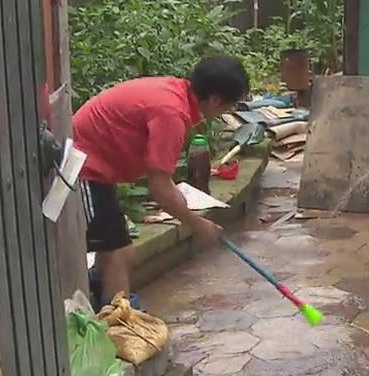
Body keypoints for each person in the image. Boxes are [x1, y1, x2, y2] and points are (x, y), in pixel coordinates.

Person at [73, 55, 249, 305]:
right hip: (82, 169)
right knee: (118, 255)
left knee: (118, 250)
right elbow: (160, 189)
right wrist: (198, 225)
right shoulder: (171, 114)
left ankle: (103, 303)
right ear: (215, 99)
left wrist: (181, 204)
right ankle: (118, 326)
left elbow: (162, 180)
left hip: (96, 168)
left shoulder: (175, 93)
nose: (226, 112)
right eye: (227, 107)